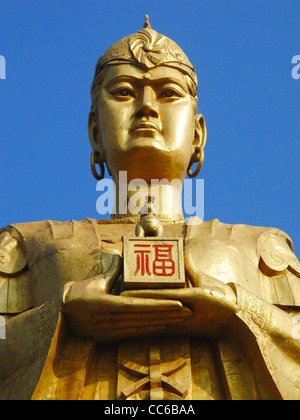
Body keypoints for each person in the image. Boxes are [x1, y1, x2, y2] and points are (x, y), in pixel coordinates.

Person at [0, 17, 300, 400]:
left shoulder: (260, 248)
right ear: (95, 130)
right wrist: (61, 314)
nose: (146, 107)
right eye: (124, 92)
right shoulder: (27, 245)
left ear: (197, 133)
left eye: (168, 92)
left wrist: (239, 311)